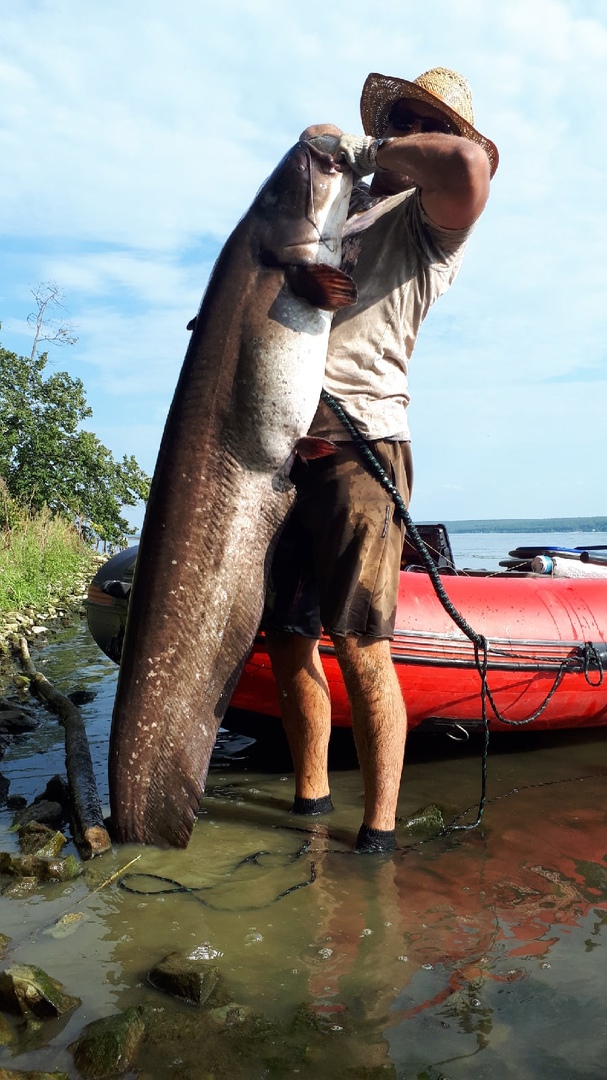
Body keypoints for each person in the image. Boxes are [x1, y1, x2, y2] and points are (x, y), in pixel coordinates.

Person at [262, 67, 498, 853]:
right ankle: (308, 805)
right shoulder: (344, 211)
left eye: (420, 121)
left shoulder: (435, 221)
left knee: (361, 643)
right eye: (396, 114)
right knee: (288, 640)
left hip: (363, 446)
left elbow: (464, 168)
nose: (403, 129)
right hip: (281, 448)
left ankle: (379, 835)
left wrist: (362, 144)